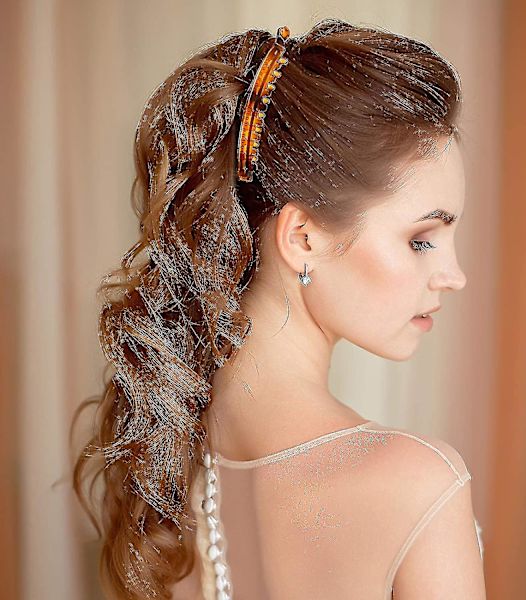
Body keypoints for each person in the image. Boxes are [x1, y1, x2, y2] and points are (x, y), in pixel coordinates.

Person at [71, 17, 486, 600]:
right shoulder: (419, 483)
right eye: (421, 240)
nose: (454, 276)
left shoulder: (167, 441)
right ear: (302, 238)